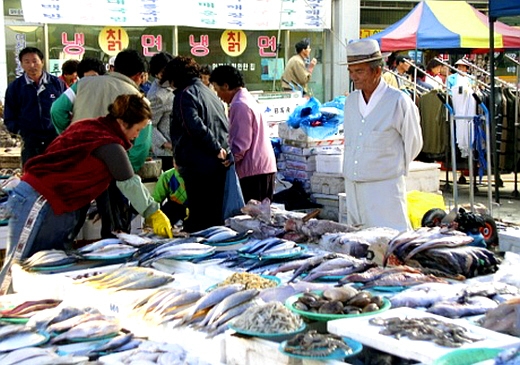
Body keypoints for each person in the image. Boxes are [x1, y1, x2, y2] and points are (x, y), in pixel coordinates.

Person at [0, 94, 172, 293]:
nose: (138, 135)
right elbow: (129, 182)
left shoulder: (91, 126)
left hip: (58, 205)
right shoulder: (109, 143)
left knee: (46, 268)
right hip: (39, 202)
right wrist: (153, 212)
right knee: (18, 268)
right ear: (123, 123)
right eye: (138, 129)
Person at [51, 49, 152, 238]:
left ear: (114, 68)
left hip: (78, 162)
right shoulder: (139, 100)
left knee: (72, 220)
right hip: (115, 171)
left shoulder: (83, 84)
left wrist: (70, 134)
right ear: (139, 76)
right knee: (115, 228)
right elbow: (140, 148)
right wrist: (124, 168)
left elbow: (56, 110)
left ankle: (66, 254)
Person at [342, 39, 423, 232]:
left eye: (359, 71)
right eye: (351, 72)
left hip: (384, 189)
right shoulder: (351, 102)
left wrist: (390, 166)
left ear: (377, 71)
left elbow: (414, 143)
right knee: (358, 244)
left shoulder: (398, 101)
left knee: (391, 242)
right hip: (353, 187)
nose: (354, 77)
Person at [161, 56, 230, 233]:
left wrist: (215, 148)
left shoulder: (184, 95)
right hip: (216, 165)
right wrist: (220, 150)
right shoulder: (209, 93)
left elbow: (194, 126)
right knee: (213, 217)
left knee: (200, 219)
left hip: (198, 165)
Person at [209, 65, 277, 203]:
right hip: (262, 167)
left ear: (226, 86)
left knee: (252, 218)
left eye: (217, 90)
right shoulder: (246, 99)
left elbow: (241, 142)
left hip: (253, 170)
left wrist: (229, 158)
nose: (218, 96)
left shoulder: (239, 104)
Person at [4, 47, 66, 166]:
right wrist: (21, 132)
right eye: (27, 62)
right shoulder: (15, 87)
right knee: (31, 174)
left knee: (56, 172)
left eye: (35, 61)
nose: (32, 65)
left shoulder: (57, 84)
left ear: (42, 62)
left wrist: (62, 131)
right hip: (29, 141)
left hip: (54, 139)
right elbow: (9, 116)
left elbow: (67, 109)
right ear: (21, 64)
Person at [51, 57, 106, 134]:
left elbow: (57, 110)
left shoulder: (79, 86)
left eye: (93, 78)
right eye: (87, 79)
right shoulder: (110, 86)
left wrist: (68, 131)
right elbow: (57, 110)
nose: (90, 82)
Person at [147, 52, 174, 171]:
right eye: (162, 72)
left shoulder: (173, 86)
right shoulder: (156, 95)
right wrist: (166, 144)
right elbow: (149, 125)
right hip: (166, 154)